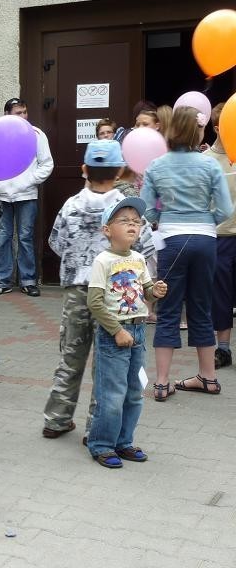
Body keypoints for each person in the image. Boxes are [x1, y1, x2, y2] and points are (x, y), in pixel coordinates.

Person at [42, 140, 154, 440]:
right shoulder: (128, 210)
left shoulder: (72, 205)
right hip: (115, 297)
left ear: (83, 170)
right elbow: (144, 249)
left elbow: (56, 242)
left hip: (78, 291)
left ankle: (56, 419)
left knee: (71, 356)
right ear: (119, 170)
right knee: (107, 364)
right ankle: (96, 427)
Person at [140, 106, 233, 399]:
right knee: (201, 308)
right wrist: (205, 222)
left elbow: (147, 209)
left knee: (168, 309)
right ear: (198, 132)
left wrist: (162, 219)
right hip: (207, 240)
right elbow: (226, 210)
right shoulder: (210, 166)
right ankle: (208, 377)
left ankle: (163, 382)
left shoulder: (156, 166)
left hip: (172, 241)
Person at [86, 198, 167, 468]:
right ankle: (102, 445)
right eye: (125, 221)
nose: (133, 225)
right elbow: (94, 302)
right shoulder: (103, 261)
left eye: (137, 221)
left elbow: (144, 291)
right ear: (107, 230)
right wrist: (117, 330)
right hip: (114, 335)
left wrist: (154, 291)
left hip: (139, 331)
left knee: (134, 391)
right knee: (112, 394)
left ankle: (124, 442)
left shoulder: (139, 258)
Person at [0, 98, 54, 298]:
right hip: (2, 196)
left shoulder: (35, 134)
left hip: (27, 195)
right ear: (7, 115)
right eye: (18, 113)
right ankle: (1, 280)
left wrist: (28, 182)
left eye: (25, 112)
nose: (23, 116)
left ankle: (28, 280)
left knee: (25, 238)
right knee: (3, 236)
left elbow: (47, 164)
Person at [205, 103, 236, 369]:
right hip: (221, 237)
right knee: (222, 294)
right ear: (218, 128)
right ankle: (223, 348)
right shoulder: (207, 161)